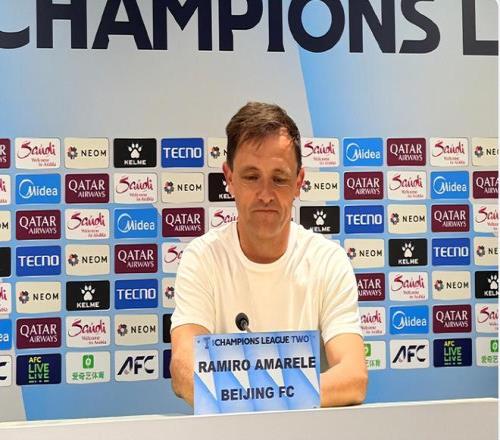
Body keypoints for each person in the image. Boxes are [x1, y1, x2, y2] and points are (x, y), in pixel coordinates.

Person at [170, 102, 367, 408]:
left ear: (299, 182)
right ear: (229, 178)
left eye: (279, 178)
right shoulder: (203, 258)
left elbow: (353, 377)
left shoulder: (328, 260)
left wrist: (254, 393)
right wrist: (281, 393)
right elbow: (185, 372)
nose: (265, 194)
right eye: (251, 177)